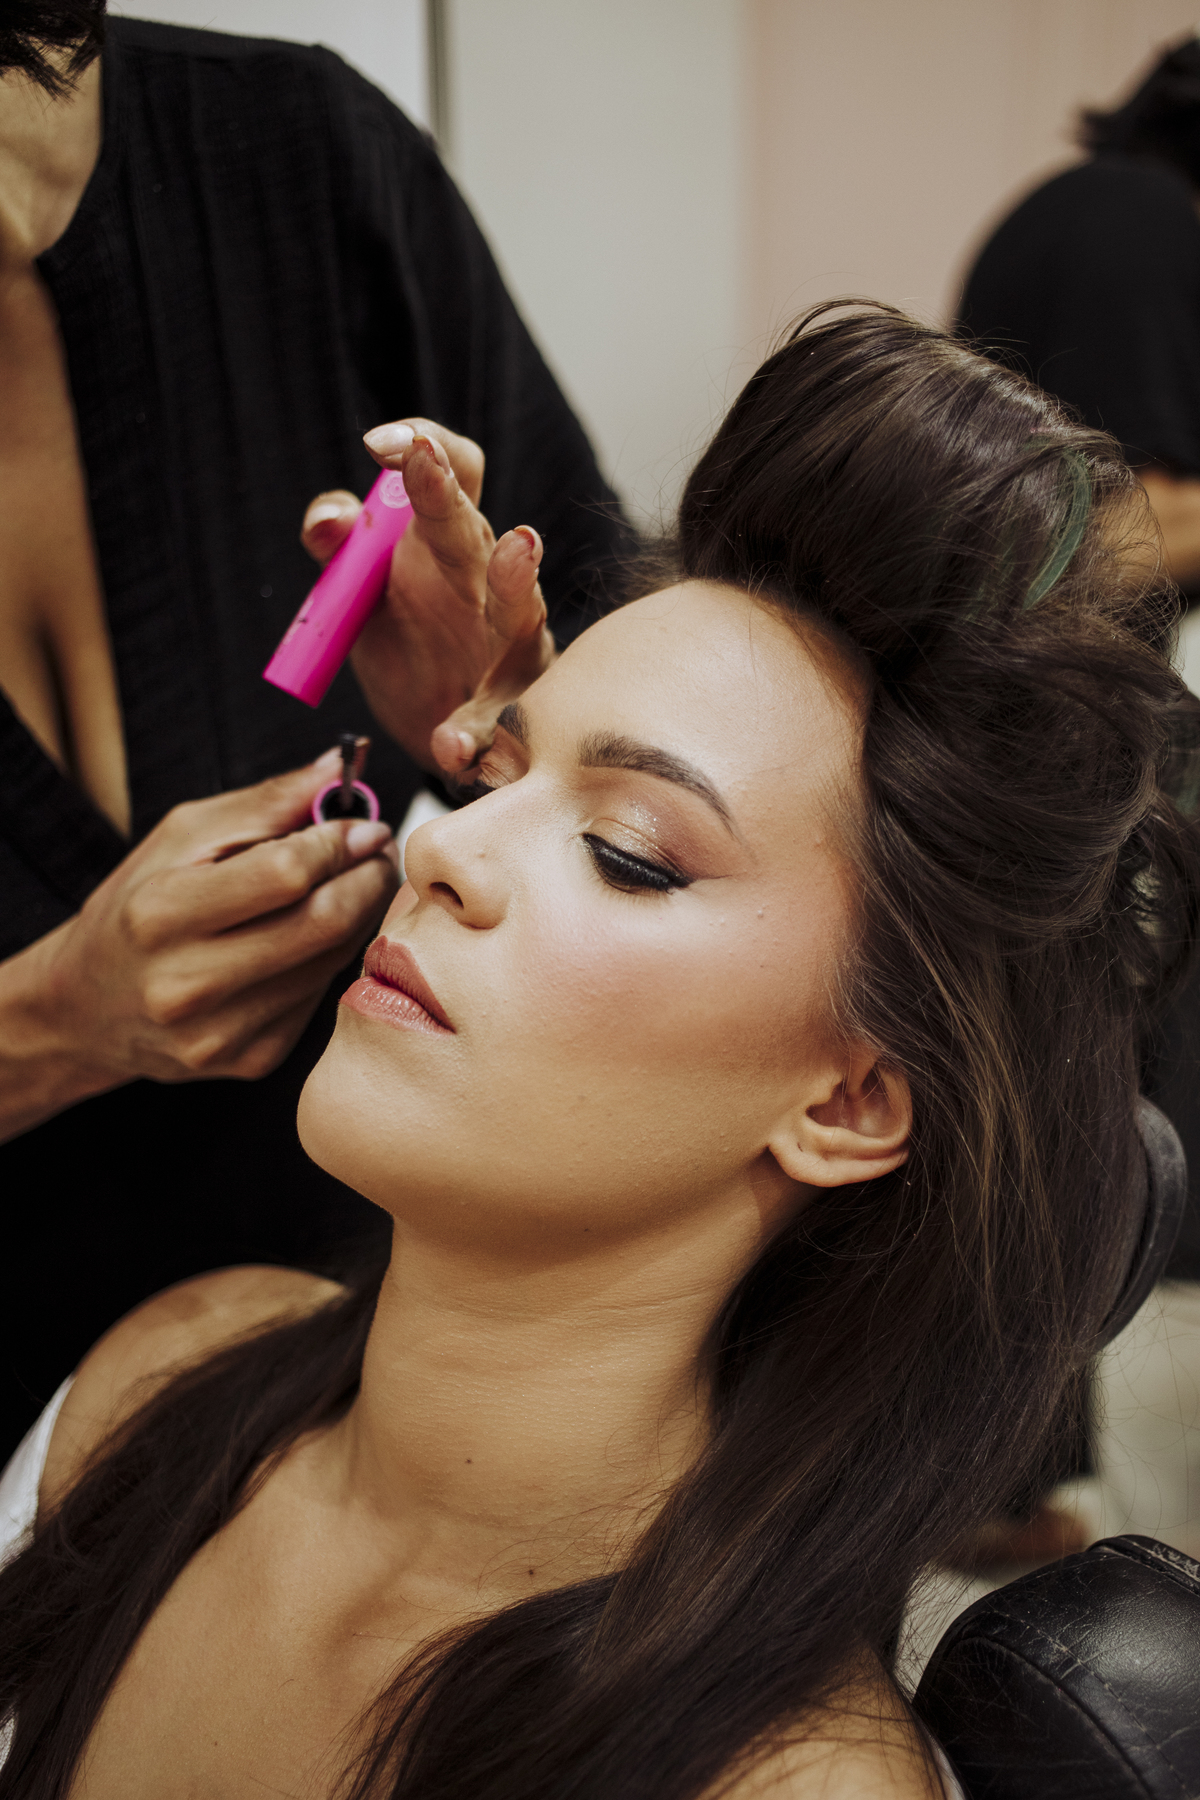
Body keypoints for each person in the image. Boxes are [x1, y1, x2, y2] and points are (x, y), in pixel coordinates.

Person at [0, 303, 1193, 1798]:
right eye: (489, 773)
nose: (443, 852)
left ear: (849, 1099)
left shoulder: (783, 1784)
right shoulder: (150, 1388)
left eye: (629, 852)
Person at [0, 3, 627, 1455]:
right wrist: (51, 1026)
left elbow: (618, 688)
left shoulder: (305, 159)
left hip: (369, 1365)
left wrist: (505, 732)